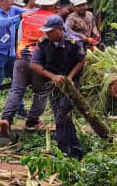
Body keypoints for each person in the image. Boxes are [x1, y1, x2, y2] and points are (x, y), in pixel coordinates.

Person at [0, 0, 61, 137]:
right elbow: (57, 42)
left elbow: (19, 37)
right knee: (41, 92)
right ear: (54, 3)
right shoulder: (54, 19)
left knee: (16, 89)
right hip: (39, 61)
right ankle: (31, 121)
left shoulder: (27, 15)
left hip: (21, 58)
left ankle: (6, 118)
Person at [29, 15, 86, 159]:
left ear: (60, 30)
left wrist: (70, 77)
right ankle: (75, 150)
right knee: (62, 117)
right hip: (53, 83)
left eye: (50, 31)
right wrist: (52, 77)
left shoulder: (73, 42)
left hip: (71, 85)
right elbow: (34, 64)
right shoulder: (42, 42)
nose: (46, 34)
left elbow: (81, 61)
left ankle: (63, 151)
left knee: (62, 115)